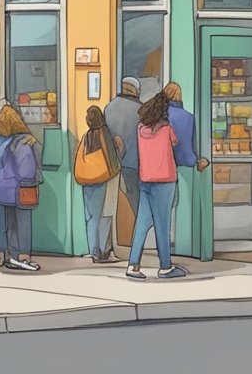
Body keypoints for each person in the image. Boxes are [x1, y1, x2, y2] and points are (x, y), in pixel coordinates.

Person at [126, 93, 187, 280]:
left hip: (146, 180)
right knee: (162, 224)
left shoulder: (139, 129)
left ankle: (133, 265)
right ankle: (165, 267)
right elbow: (176, 143)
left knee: (142, 223)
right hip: (164, 181)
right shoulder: (167, 129)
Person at [0, 105, 42, 271]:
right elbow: (26, 170)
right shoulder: (23, 142)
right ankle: (23, 256)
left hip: (0, 189)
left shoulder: (0, 142)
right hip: (19, 188)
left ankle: (3, 253)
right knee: (22, 223)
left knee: (5, 224)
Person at [77, 104, 123, 263]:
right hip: (104, 179)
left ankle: (93, 250)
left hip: (87, 181)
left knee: (92, 218)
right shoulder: (106, 135)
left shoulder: (86, 137)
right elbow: (114, 161)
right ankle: (103, 250)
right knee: (105, 216)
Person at [105, 77, 143, 219]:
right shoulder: (141, 110)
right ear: (136, 91)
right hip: (135, 164)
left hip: (113, 165)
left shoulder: (109, 107)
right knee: (135, 201)